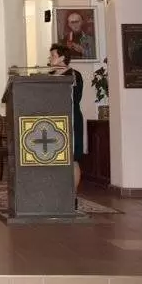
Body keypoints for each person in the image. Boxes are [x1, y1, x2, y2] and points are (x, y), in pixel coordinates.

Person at [48, 43, 84, 208]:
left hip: (70, 119)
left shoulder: (74, 75)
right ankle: (54, 194)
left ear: (62, 57)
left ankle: (72, 197)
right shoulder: (48, 76)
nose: (50, 58)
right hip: (51, 122)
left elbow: (74, 98)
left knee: (72, 159)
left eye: (53, 55)